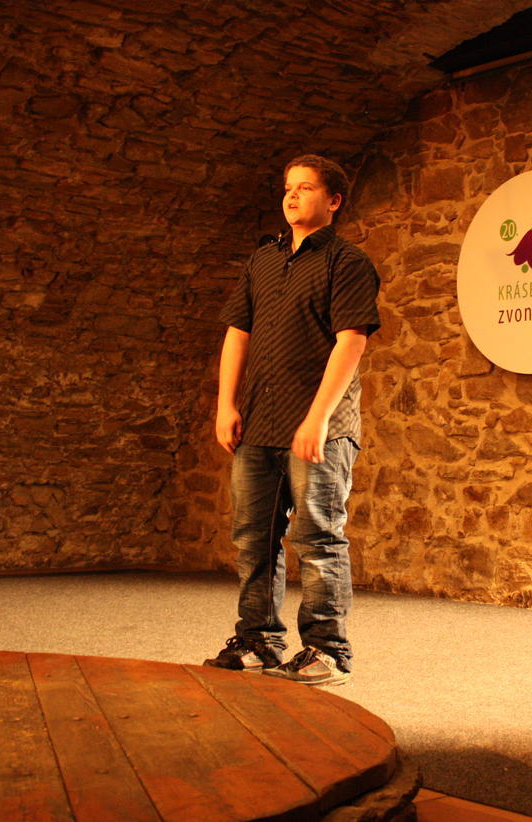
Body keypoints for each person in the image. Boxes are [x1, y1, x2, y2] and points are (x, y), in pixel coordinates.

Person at [205, 154, 380, 686]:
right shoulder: (263, 260)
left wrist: (318, 418)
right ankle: (258, 641)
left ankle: (328, 651)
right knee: (252, 539)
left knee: (318, 538)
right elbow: (238, 333)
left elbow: (352, 340)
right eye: (287, 187)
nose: (292, 195)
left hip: (319, 428)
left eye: (305, 187)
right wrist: (226, 404)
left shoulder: (347, 262)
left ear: (334, 200)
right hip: (259, 422)